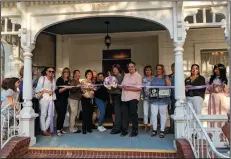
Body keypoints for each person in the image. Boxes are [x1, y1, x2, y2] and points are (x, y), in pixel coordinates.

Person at [120, 61, 142, 137]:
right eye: (129, 67)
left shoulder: (138, 76)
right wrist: (116, 85)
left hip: (133, 98)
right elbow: (122, 85)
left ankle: (135, 130)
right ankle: (124, 130)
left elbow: (138, 88)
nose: (130, 68)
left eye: (132, 66)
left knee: (133, 114)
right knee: (125, 114)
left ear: (135, 67)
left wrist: (127, 88)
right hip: (124, 98)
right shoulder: (126, 75)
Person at [150, 64, 171, 138]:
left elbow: (169, 86)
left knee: (163, 115)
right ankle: (154, 129)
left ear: (162, 70)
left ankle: (162, 130)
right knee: (154, 114)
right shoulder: (153, 78)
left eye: (160, 69)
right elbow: (151, 88)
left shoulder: (166, 77)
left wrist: (165, 77)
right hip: (154, 99)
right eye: (157, 69)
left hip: (163, 99)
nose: (158, 70)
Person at [35, 67, 56, 136]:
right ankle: (44, 130)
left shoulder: (54, 80)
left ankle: (45, 129)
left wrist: (51, 92)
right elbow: (37, 89)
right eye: (50, 71)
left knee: (51, 114)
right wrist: (46, 91)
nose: (51, 73)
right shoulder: (42, 78)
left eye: (53, 72)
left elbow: (54, 89)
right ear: (46, 72)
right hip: (44, 98)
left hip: (51, 98)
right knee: (43, 114)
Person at [55, 67, 72, 136]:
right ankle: (58, 130)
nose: (66, 73)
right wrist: (66, 87)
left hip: (65, 99)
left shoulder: (69, 80)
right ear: (63, 73)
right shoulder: (59, 79)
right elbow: (59, 91)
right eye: (65, 72)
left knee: (63, 115)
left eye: (68, 72)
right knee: (60, 114)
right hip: (59, 99)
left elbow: (70, 90)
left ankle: (61, 128)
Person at [81, 70, 96, 134]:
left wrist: (94, 89)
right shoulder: (83, 81)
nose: (90, 75)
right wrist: (88, 87)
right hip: (85, 99)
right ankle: (84, 129)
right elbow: (82, 90)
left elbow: (94, 90)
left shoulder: (92, 82)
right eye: (88, 74)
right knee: (85, 114)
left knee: (90, 114)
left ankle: (89, 128)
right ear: (86, 75)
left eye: (91, 74)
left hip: (91, 99)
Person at [110, 64, 124, 134]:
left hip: (118, 96)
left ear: (119, 70)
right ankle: (117, 127)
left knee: (117, 112)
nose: (114, 70)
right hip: (113, 95)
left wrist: (111, 83)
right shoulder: (114, 77)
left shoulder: (120, 76)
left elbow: (118, 86)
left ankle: (118, 128)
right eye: (113, 69)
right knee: (116, 112)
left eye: (116, 69)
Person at [142, 65, 153, 132]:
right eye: (146, 70)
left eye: (149, 70)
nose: (147, 71)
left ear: (151, 71)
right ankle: (145, 125)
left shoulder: (154, 78)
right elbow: (142, 89)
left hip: (153, 98)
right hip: (146, 98)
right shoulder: (143, 79)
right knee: (145, 113)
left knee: (152, 113)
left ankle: (151, 125)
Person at [167, 63, 175, 133]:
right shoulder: (168, 76)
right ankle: (171, 128)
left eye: (175, 67)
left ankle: (176, 129)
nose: (173, 68)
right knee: (170, 113)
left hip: (177, 98)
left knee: (177, 113)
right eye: (172, 67)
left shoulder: (181, 76)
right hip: (169, 97)